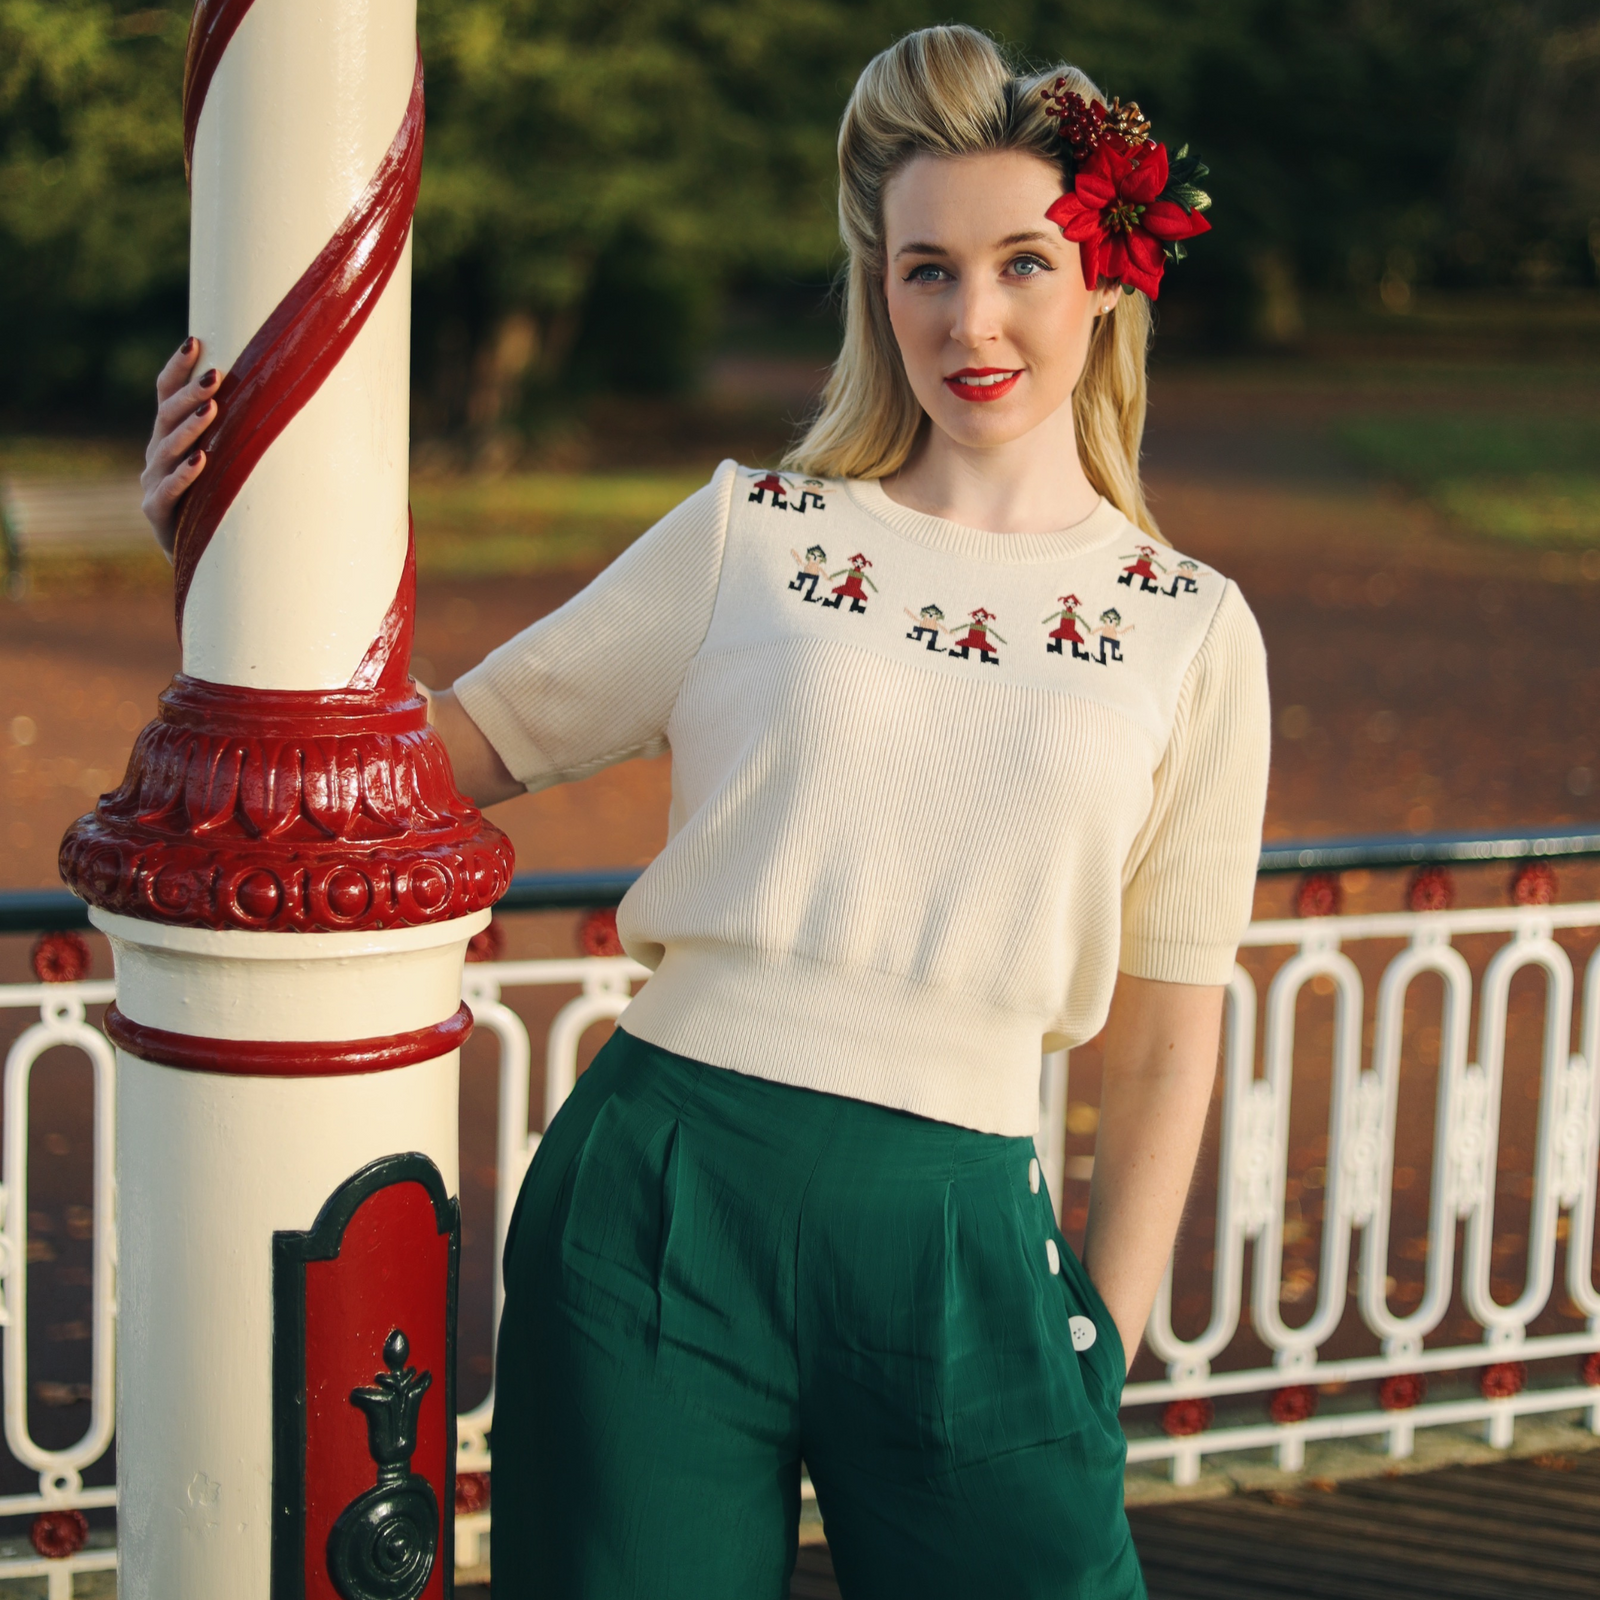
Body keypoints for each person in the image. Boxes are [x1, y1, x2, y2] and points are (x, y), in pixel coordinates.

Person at [141, 25, 1265, 1600]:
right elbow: (431, 754)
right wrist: (219, 554)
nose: (974, 318)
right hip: (664, 1196)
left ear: (1105, 276)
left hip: (964, 1241)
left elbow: (1166, 1025)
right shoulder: (757, 536)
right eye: (925, 269)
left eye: (1023, 262)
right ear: (881, 288)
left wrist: (1108, 1341)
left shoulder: (1192, 630)